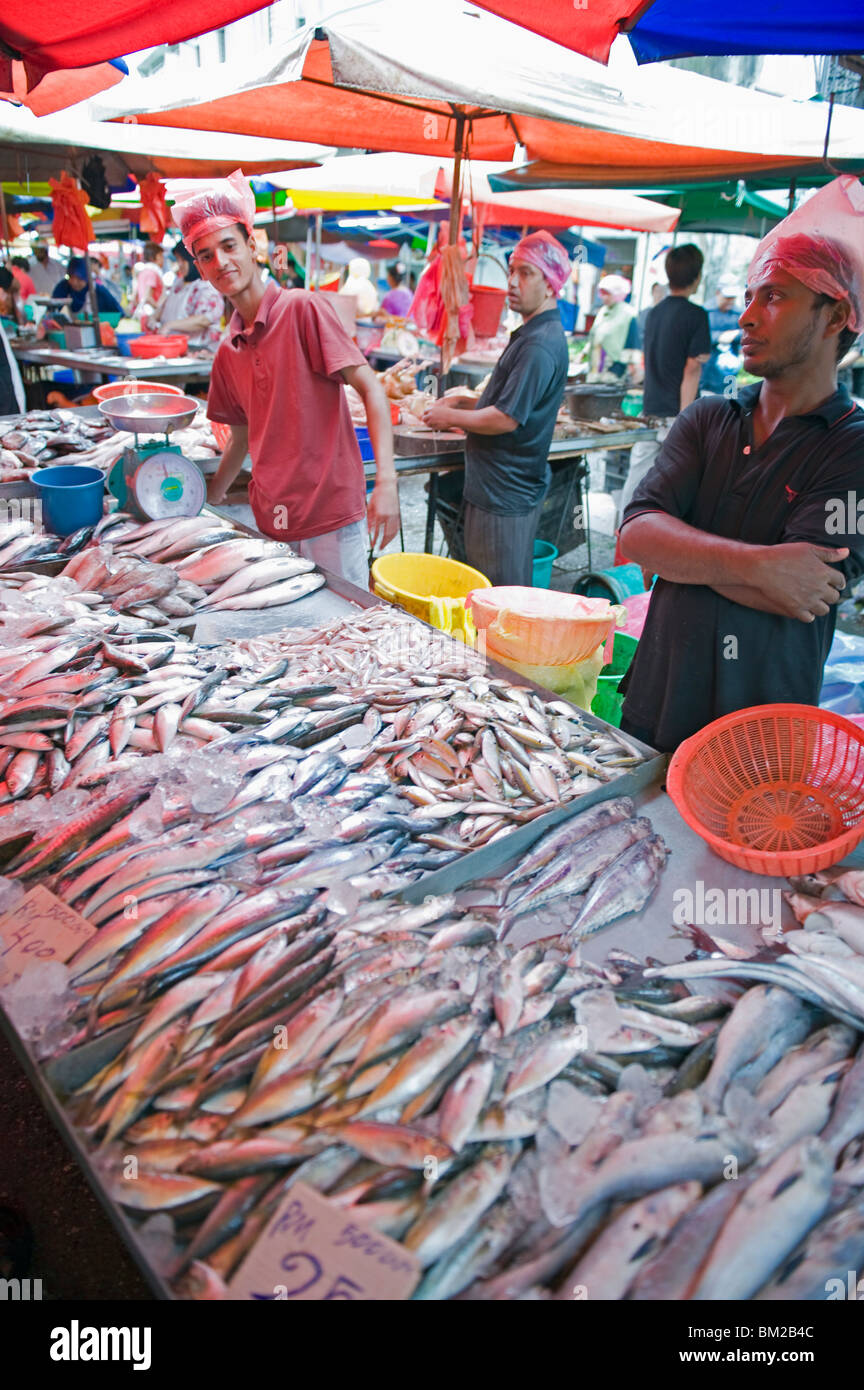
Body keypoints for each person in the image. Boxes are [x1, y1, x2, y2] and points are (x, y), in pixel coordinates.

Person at [616, 179, 864, 753]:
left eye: (774, 297)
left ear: (834, 317)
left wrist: (684, 554)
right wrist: (760, 566)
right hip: (657, 702)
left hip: (762, 738)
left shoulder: (852, 448)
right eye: (750, 297)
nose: (747, 317)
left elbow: (803, 591)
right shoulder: (707, 418)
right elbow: (637, 535)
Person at [172, 170, 400, 589]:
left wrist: (386, 482)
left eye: (228, 246)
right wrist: (211, 498)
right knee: (293, 637)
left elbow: (371, 387)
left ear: (252, 245)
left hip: (330, 511)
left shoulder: (302, 309)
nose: (220, 262)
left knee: (345, 627)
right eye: (205, 255)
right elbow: (240, 439)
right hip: (272, 517)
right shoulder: (228, 350)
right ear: (200, 269)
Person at [422, 230, 570, 586]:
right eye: (511, 271)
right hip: (498, 489)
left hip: (504, 492)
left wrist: (450, 416)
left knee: (498, 595)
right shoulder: (533, 334)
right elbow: (511, 403)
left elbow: (505, 418)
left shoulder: (539, 345)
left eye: (526, 273)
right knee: (492, 587)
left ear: (550, 285)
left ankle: (491, 645)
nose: (512, 282)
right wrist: (465, 401)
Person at [618, 243, 712, 522]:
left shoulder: (653, 312)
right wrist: (684, 418)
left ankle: (625, 532)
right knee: (679, 485)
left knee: (638, 478)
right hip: (676, 414)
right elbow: (692, 368)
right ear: (697, 278)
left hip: (651, 410)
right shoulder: (696, 315)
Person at [152, 243, 225, 349]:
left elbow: (204, 320)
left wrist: (169, 325)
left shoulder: (207, 287)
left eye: (183, 260)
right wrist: (153, 317)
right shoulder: (178, 284)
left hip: (198, 348)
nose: (179, 264)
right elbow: (166, 308)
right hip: (173, 346)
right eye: (177, 260)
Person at [586, 274, 637, 379]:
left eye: (607, 293)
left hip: (614, 370)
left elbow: (632, 344)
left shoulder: (628, 313)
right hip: (595, 369)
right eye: (602, 293)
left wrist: (618, 370)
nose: (604, 297)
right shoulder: (603, 311)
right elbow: (595, 336)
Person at [701, 273, 743, 396]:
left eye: (733, 297)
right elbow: (703, 337)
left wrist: (733, 336)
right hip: (706, 377)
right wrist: (721, 337)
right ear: (718, 293)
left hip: (729, 378)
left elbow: (746, 334)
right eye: (727, 297)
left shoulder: (739, 314)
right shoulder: (705, 312)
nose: (730, 301)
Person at [51, 257, 123, 315]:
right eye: (71, 277)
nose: (74, 283)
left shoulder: (98, 290)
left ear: (86, 278)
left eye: (79, 279)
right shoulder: (63, 287)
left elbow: (118, 312)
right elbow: (52, 309)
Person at [131, 243, 165, 329]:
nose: (163, 260)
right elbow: (148, 297)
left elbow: (134, 298)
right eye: (162, 256)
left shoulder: (142, 272)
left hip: (142, 315)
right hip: (150, 317)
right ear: (157, 256)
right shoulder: (152, 273)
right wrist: (160, 309)